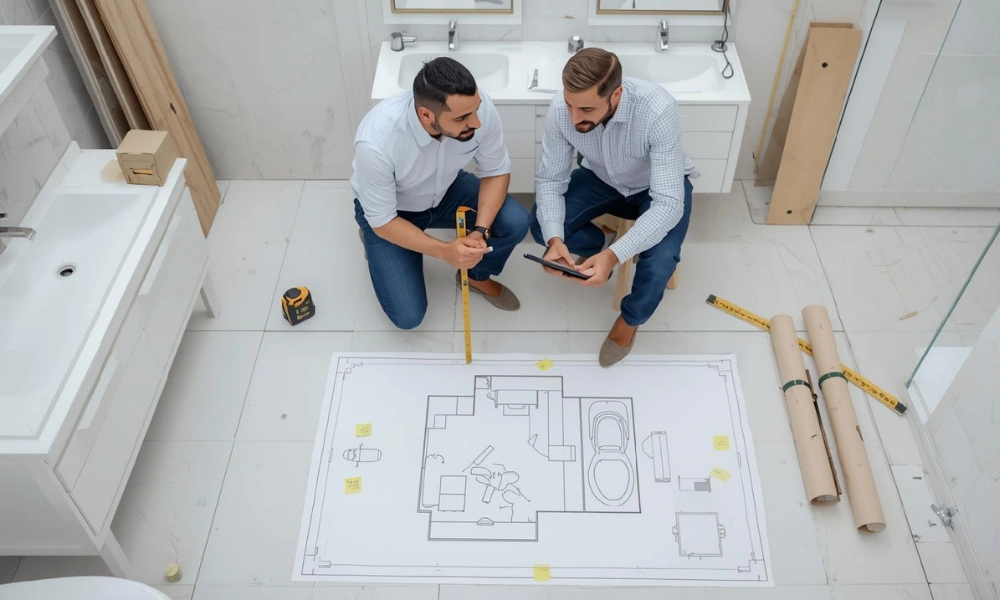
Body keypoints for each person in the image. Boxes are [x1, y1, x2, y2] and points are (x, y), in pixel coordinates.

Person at [530, 48, 695, 367]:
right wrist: (555, 240)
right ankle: (596, 243)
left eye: (587, 108)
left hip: (656, 189)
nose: (574, 118)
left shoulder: (657, 109)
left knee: (660, 262)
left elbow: (668, 204)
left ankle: (630, 320)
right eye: (569, 105)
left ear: (616, 94)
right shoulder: (562, 110)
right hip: (601, 178)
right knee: (541, 226)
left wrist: (614, 256)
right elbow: (551, 179)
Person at [352, 57, 530, 329]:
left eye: (476, 110)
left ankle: (475, 276)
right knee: (408, 317)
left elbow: (495, 171)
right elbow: (384, 220)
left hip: (447, 190)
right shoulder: (376, 142)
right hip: (394, 214)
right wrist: (445, 251)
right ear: (426, 115)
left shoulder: (478, 111)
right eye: (462, 118)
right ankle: (372, 238)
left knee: (516, 221)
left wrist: (480, 230)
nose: (477, 123)